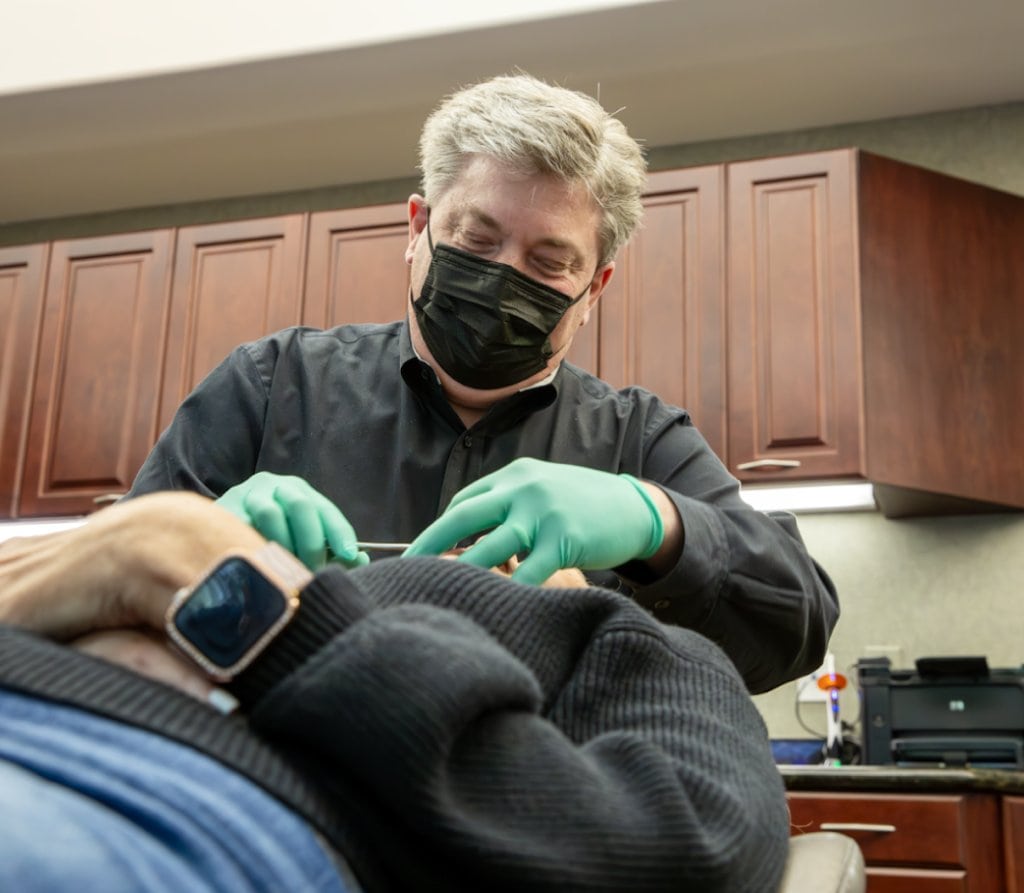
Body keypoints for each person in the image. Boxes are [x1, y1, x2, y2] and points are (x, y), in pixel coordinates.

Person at [126, 72, 837, 693]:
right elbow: (92, 595)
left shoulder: (639, 440)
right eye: (476, 238)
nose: (503, 275)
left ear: (594, 289)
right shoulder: (270, 384)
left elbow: (798, 623)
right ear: (418, 226)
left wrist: (657, 521)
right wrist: (193, 539)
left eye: (550, 260)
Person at [0, 492, 791, 892]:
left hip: (133, 790)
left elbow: (689, 852)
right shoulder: (281, 580)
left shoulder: (633, 644)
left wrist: (229, 590)